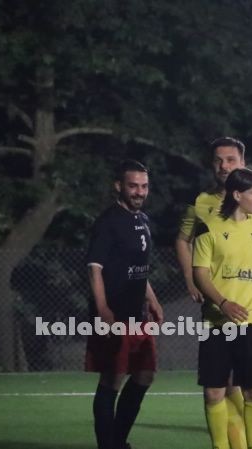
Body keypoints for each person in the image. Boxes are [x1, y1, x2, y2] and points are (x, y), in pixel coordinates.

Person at [176, 137, 252, 449]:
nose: (223, 166)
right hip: (218, 308)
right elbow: (183, 239)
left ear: (242, 162)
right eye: (218, 160)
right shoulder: (202, 203)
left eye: (231, 160)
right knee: (222, 387)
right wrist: (191, 279)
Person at [193, 168, 252, 449]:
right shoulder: (208, 227)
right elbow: (200, 273)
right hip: (215, 323)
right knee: (213, 393)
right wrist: (222, 303)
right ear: (237, 195)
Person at [85, 160, 164, 449]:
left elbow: (138, 268)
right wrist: (103, 309)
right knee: (112, 378)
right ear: (118, 186)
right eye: (133, 186)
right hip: (115, 313)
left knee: (145, 375)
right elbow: (94, 268)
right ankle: (108, 445)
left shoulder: (142, 219)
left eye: (144, 186)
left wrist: (152, 300)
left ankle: (119, 441)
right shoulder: (108, 222)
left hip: (138, 314)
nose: (139, 192)